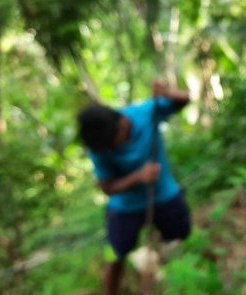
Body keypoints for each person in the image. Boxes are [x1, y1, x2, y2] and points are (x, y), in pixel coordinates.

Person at [77, 81, 191, 295]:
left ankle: (175, 280)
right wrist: (138, 177)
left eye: (113, 144)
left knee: (181, 238)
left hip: (164, 194)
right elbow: (107, 187)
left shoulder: (146, 113)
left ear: (121, 124)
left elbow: (184, 99)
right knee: (114, 255)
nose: (111, 150)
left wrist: (166, 92)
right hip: (125, 206)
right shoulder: (99, 146)